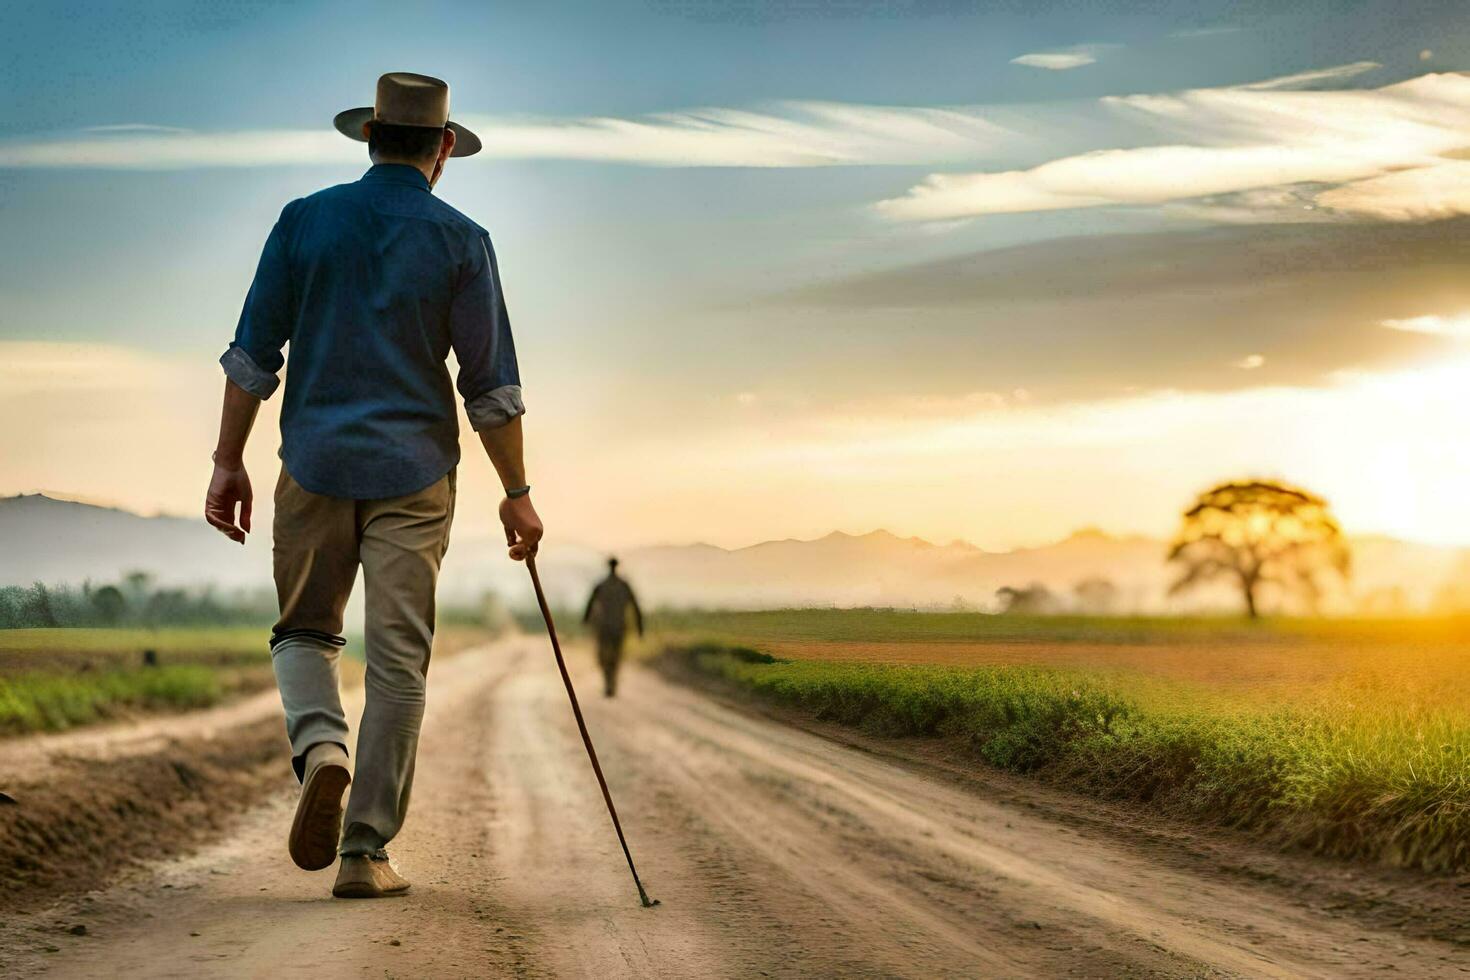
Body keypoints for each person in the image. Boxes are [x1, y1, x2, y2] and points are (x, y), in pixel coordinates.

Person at [203, 72, 543, 899]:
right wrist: (517, 490)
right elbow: (490, 389)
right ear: (444, 150)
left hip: (312, 463)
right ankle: (364, 853)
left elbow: (254, 356)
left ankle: (322, 749)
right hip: (416, 474)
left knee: (305, 633)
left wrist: (227, 459)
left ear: (368, 139)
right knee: (399, 661)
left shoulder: (303, 221)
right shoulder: (464, 240)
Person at [583, 557, 644, 697]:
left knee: (605, 657)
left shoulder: (601, 585)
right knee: (614, 657)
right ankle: (610, 683)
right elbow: (635, 607)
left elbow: (590, 604)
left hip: (605, 627)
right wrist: (640, 626)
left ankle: (609, 683)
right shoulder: (623, 585)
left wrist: (586, 620)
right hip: (618, 627)